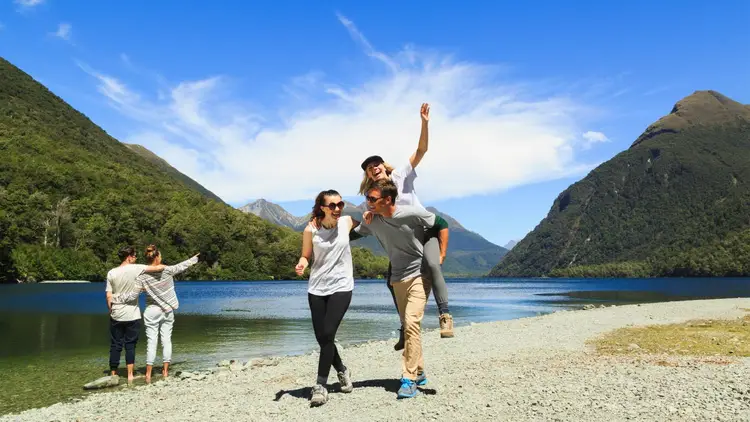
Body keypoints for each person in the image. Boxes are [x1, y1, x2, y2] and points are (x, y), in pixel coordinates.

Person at [358, 102, 454, 350]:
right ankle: (404, 326)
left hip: (425, 231)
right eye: (369, 168)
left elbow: (421, 150)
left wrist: (424, 123)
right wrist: (368, 218)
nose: (374, 168)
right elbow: (372, 219)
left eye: (376, 164)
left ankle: (445, 316)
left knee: (432, 264)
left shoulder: (401, 175)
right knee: (391, 279)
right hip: (403, 242)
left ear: (383, 165)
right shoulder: (373, 196)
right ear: (368, 175)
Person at [353, 179, 448, 399]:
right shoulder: (372, 220)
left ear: (387, 199)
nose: (367, 203)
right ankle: (420, 370)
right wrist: (322, 230)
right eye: (367, 198)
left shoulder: (411, 213)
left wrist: (441, 254)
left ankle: (409, 378)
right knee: (408, 326)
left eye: (372, 199)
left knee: (413, 323)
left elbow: (441, 223)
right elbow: (352, 234)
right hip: (397, 278)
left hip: (419, 275)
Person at [295, 189, 356, 407]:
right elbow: (305, 254)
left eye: (340, 204)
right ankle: (341, 369)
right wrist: (302, 263)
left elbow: (373, 216)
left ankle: (320, 385)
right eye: (333, 205)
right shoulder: (311, 229)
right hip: (317, 288)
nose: (338, 209)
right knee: (323, 338)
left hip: (342, 286)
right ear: (322, 207)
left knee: (328, 332)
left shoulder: (347, 222)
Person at [111, 245, 199, 383]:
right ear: (157, 257)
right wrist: (195, 258)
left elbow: (132, 296)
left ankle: (148, 373)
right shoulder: (167, 270)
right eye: (161, 255)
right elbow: (182, 266)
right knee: (166, 340)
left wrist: (116, 298)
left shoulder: (142, 276)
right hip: (168, 310)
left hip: (151, 311)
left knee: (152, 342)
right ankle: (164, 371)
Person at [105, 246, 166, 383]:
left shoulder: (111, 273)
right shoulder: (137, 268)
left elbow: (109, 296)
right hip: (132, 314)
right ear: (129, 257)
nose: (136, 257)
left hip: (117, 313)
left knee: (115, 344)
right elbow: (157, 268)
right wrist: (172, 268)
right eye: (135, 255)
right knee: (130, 344)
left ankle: (113, 373)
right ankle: (130, 375)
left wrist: (111, 310)